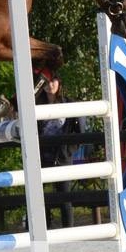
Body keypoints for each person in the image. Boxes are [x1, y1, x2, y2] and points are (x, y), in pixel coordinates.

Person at [33, 67, 86, 228]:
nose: (50, 84)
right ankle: (40, 228)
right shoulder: (35, 104)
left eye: (53, 80)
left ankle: (68, 231)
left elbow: (80, 132)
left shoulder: (68, 103)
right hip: (41, 155)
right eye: (47, 82)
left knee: (64, 197)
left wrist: (68, 150)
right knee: (38, 196)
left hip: (61, 156)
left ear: (59, 82)